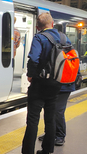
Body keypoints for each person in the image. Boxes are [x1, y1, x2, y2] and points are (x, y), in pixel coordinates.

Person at [21, 12, 71, 154]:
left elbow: (34, 59)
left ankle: (27, 151)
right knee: (50, 119)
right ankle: (47, 150)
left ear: (37, 27)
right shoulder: (64, 38)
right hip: (56, 85)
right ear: (52, 23)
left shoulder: (39, 37)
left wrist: (31, 75)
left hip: (39, 85)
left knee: (32, 121)